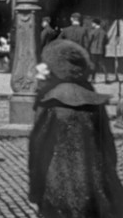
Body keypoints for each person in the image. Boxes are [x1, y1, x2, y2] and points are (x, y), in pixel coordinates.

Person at [29, 40, 123, 217]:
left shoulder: (50, 100)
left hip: (56, 179)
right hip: (93, 178)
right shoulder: (92, 98)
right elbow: (107, 143)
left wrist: (36, 186)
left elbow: (37, 145)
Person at [87, 18, 110, 84]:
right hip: (101, 50)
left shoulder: (92, 31)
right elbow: (107, 41)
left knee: (94, 65)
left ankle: (93, 79)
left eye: (92, 23)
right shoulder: (104, 32)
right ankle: (107, 79)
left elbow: (89, 41)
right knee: (103, 64)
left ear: (95, 24)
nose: (92, 24)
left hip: (93, 50)